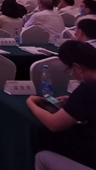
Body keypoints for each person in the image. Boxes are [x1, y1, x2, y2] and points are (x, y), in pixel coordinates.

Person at [28, 41, 96, 170]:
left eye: (69, 70)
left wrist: (31, 102)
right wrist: (74, 101)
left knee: (42, 155)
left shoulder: (87, 89)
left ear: (77, 67)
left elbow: (54, 124)